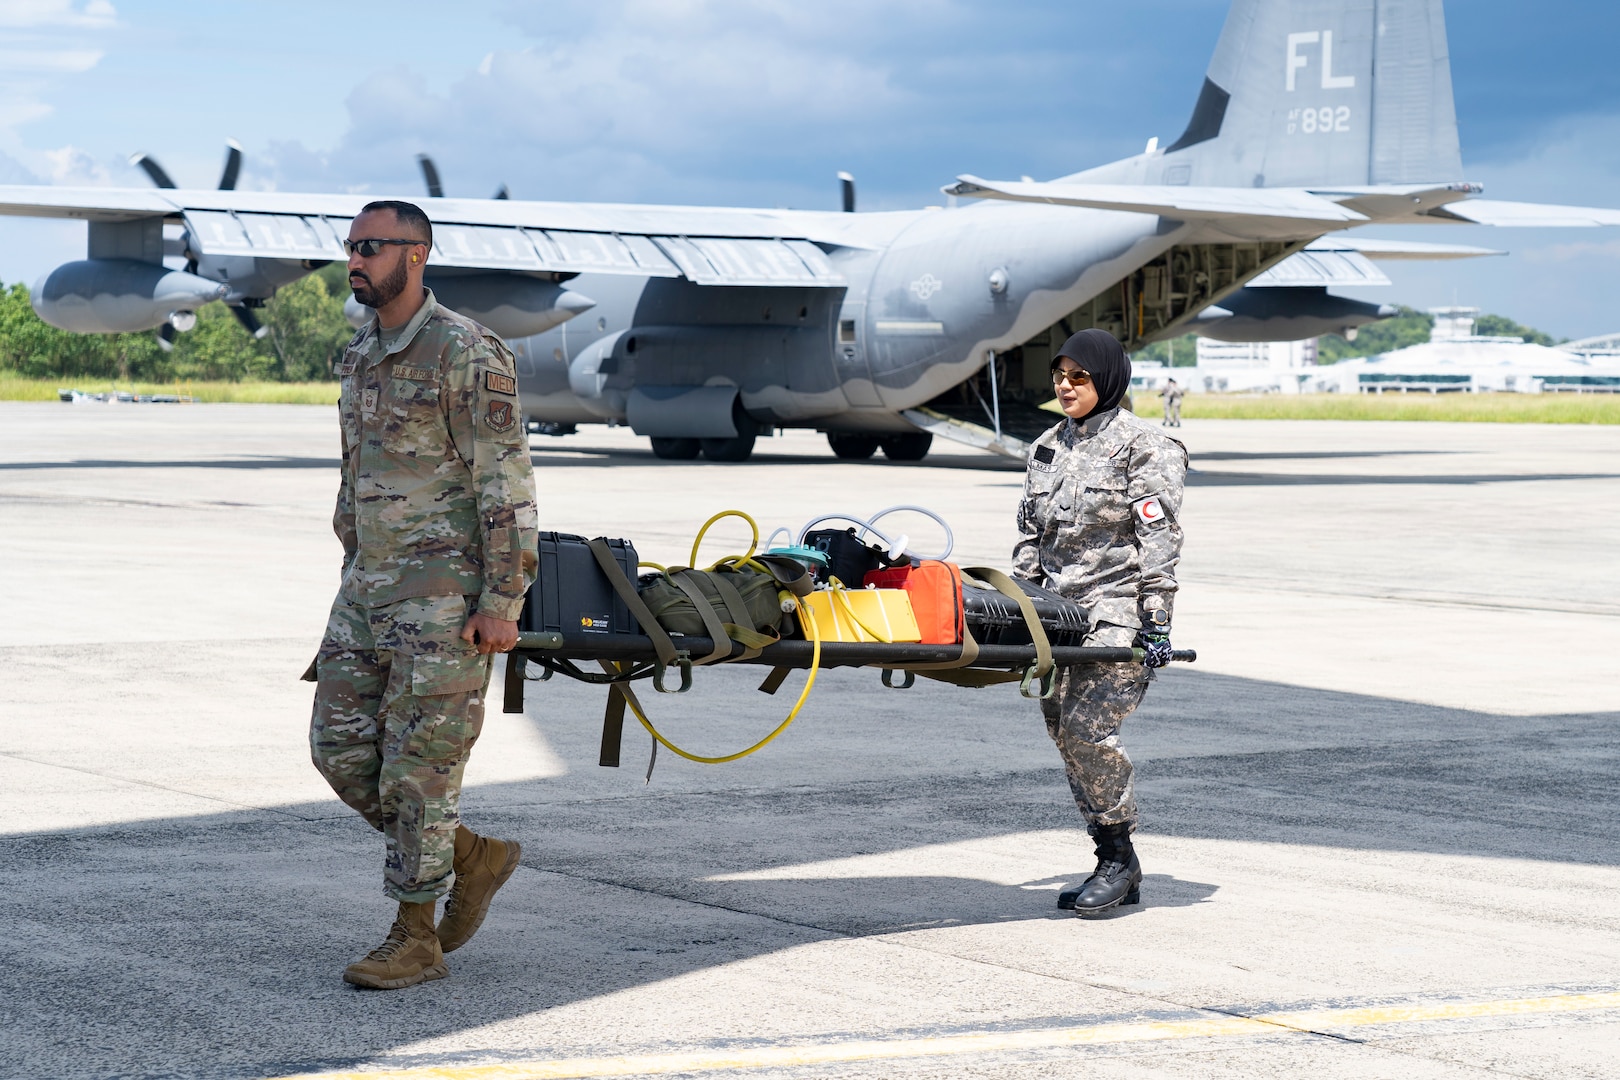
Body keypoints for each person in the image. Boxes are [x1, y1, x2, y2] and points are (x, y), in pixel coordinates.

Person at [305, 199, 539, 989]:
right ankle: (470, 856)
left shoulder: (467, 352)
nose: (356, 260)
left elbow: (507, 487)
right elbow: (354, 477)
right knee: (338, 750)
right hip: (367, 592)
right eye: (351, 246)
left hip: (443, 603)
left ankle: (415, 937)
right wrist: (351, 562)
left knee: (421, 769)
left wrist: (502, 602)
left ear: (418, 254)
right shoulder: (361, 351)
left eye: (371, 247)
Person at [1014, 329, 1187, 916]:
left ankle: (1117, 855)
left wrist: (1156, 619)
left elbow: (1159, 537)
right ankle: (1111, 852)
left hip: (1116, 615)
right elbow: (1030, 540)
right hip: (1057, 617)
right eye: (1059, 375)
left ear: (1107, 379)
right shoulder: (1043, 447)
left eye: (1079, 377)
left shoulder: (1147, 447)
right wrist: (1019, 611)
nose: (1065, 386)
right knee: (1062, 729)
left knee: (1090, 730)